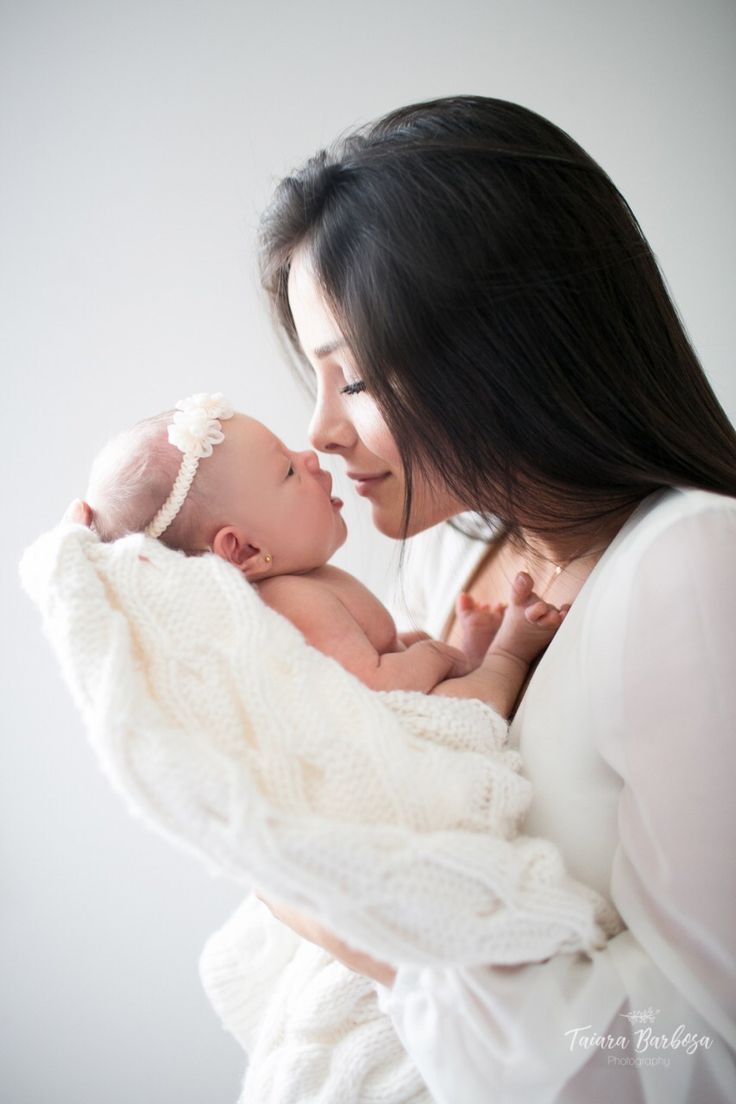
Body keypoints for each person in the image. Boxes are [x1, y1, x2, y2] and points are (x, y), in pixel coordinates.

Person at [254, 95, 736, 1102]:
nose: (319, 435)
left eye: (350, 380)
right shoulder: (446, 572)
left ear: (495, 343)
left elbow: (698, 1049)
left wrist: (379, 938)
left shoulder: (690, 566)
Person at [85, 392, 566, 715]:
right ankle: (508, 654)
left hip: (402, 696)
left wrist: (419, 644)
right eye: (289, 472)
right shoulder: (290, 601)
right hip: (405, 730)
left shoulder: (307, 585)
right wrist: (438, 653)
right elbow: (376, 684)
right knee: (471, 704)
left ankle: (478, 650)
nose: (310, 456)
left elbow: (375, 650)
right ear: (244, 549)